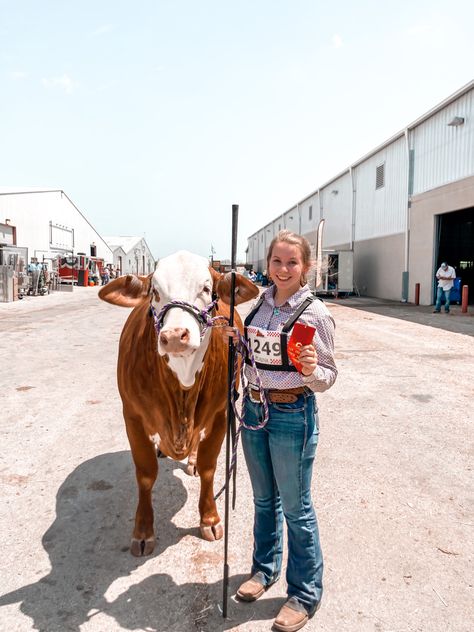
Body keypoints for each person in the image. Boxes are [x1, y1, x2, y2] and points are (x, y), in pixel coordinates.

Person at [223, 230, 337, 632]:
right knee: (263, 499)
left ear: (305, 267)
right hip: (254, 410)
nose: (283, 269)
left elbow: (328, 375)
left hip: (292, 415)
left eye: (292, 262)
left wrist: (310, 370)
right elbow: (254, 354)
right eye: (277, 261)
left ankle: (305, 592)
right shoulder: (257, 307)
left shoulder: (315, 314)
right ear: (267, 264)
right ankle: (264, 568)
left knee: (296, 507)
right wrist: (237, 341)